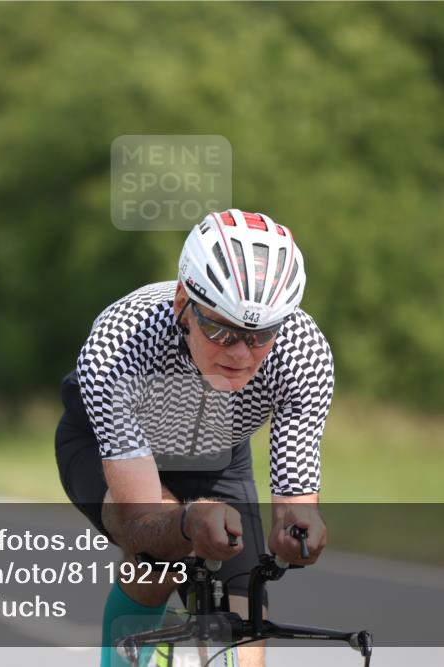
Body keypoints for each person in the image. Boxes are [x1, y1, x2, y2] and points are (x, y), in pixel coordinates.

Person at [55, 209, 334, 667]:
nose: (241, 353)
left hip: (217, 449)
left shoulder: (302, 353)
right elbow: (142, 524)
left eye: (260, 334)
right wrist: (186, 523)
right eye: (220, 328)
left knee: (245, 636)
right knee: (157, 560)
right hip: (105, 442)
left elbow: (295, 502)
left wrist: (298, 534)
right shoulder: (121, 343)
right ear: (183, 300)